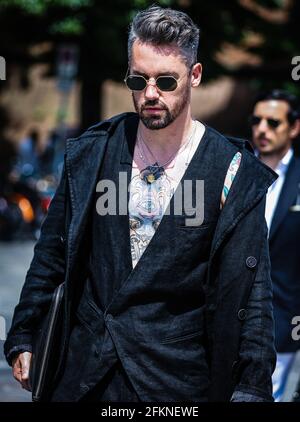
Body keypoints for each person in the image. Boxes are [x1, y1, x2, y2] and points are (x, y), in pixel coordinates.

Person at [4, 5, 277, 402]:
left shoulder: (232, 172)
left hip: (174, 384)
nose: (150, 93)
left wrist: (251, 389)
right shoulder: (93, 154)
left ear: (195, 76)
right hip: (83, 377)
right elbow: (51, 253)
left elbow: (253, 294)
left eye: (166, 81)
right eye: (138, 79)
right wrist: (24, 334)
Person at [250, 89, 300, 401]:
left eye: (273, 122)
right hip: (228, 325)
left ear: (294, 128)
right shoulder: (235, 171)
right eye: (256, 121)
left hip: (283, 326)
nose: (262, 129)